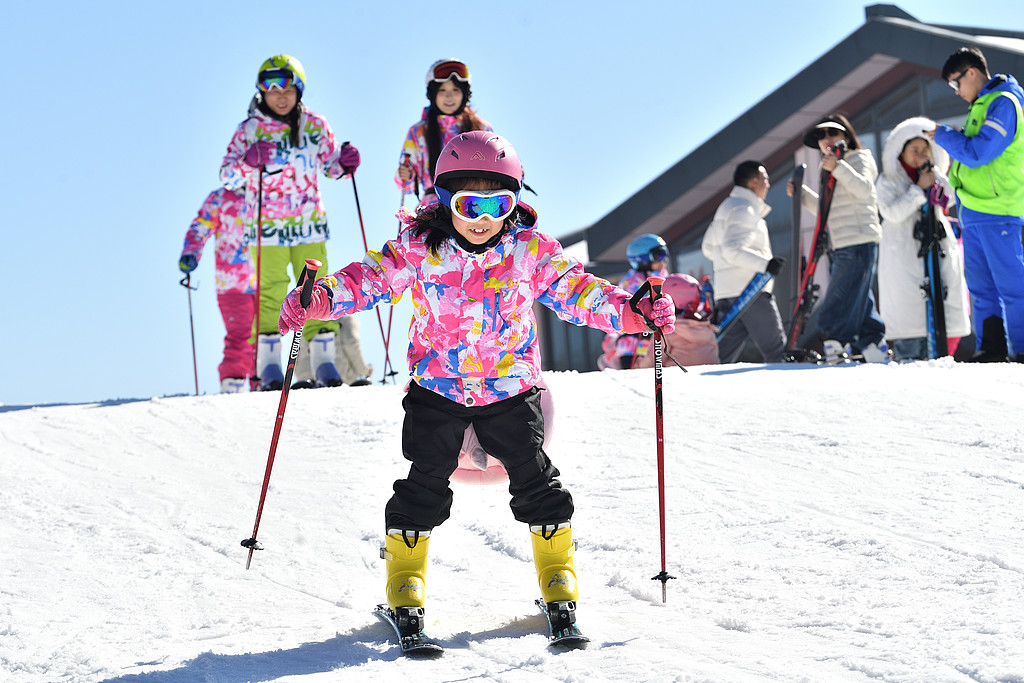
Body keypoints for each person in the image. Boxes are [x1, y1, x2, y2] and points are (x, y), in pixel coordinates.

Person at [277, 131, 677, 643]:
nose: (484, 217)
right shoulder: (419, 249)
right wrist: (319, 299)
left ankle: (558, 578)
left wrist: (630, 311)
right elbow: (367, 279)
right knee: (425, 481)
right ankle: (406, 582)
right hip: (437, 392)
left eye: (499, 203)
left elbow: (578, 291)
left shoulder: (529, 251)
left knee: (536, 480)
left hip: (511, 390)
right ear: (445, 200)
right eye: (471, 203)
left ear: (514, 205)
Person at [219, 54, 362, 391]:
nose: (280, 96)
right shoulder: (250, 130)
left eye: (287, 89)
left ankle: (325, 360)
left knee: (314, 288)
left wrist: (345, 162)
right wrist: (247, 161)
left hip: (308, 223)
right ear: (261, 93)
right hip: (266, 228)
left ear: (299, 90)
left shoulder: (314, 124)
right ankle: (268, 366)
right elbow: (226, 175)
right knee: (270, 292)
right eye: (271, 89)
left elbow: (331, 166)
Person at [926, 46, 1024, 363]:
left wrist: (942, 135)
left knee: (1012, 285)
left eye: (956, 83)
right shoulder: (982, 104)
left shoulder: (1004, 102)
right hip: (976, 211)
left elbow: (980, 152)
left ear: (972, 73)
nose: (956, 92)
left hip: (1000, 210)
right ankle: (990, 349)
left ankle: (1022, 350)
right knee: (981, 289)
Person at [788, 113, 888, 362]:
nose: (826, 139)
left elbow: (865, 190)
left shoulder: (859, 157)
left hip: (858, 238)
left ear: (846, 135)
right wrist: (802, 194)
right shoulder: (830, 167)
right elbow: (826, 208)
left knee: (841, 295)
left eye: (832, 133)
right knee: (859, 295)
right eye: (820, 136)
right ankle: (874, 345)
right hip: (841, 242)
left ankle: (835, 342)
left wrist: (839, 167)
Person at [876, 117, 971, 360]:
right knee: (910, 339)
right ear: (900, 153)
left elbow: (950, 199)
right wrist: (918, 189)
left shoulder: (935, 176)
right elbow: (892, 213)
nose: (920, 155)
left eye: (924, 149)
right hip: (904, 261)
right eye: (913, 150)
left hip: (936, 254)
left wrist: (936, 179)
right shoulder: (888, 181)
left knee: (942, 334)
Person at [701, 160, 787, 363]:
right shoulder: (744, 210)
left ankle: (702, 393)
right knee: (777, 353)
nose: (768, 184)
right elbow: (732, 249)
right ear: (753, 182)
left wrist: (727, 266)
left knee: (720, 357)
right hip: (750, 292)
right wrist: (765, 265)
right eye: (765, 179)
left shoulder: (726, 207)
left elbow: (708, 248)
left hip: (726, 293)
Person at [178, 188, 255, 393]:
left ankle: (264, 380)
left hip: (266, 277)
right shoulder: (221, 198)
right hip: (232, 282)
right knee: (240, 333)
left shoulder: (269, 191)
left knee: (265, 332)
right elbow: (201, 226)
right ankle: (233, 382)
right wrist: (191, 252)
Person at [395, 59, 491, 207]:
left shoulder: (481, 129)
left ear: (465, 93)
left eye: (455, 90)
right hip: (433, 208)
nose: (449, 96)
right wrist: (405, 175)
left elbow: (496, 164)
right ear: (433, 94)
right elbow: (406, 185)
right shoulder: (418, 132)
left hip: (473, 205)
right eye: (442, 90)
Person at [597, 234, 671, 369]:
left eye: (665, 253)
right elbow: (626, 309)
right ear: (642, 259)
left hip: (652, 340)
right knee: (637, 376)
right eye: (658, 255)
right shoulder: (632, 282)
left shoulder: (662, 277)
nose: (664, 260)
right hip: (632, 345)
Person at [633, 273, 720, 368]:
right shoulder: (705, 326)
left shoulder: (667, 329)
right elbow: (715, 351)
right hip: (709, 375)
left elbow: (653, 360)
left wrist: (638, 366)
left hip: (677, 378)